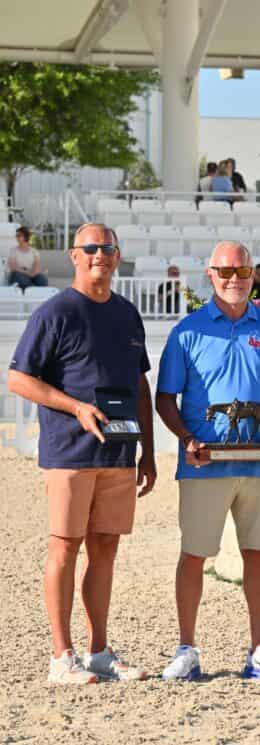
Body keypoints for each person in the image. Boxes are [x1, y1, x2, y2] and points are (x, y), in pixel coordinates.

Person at [7, 222, 156, 684]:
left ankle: (98, 652)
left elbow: (139, 384)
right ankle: (61, 656)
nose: (100, 254)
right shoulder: (55, 313)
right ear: (75, 255)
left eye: (108, 248)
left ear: (116, 255)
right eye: (91, 247)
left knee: (106, 549)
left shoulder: (129, 314)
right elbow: (18, 378)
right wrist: (76, 407)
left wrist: (147, 452)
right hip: (69, 451)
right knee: (65, 547)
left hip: (118, 453)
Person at [155, 240, 260, 682]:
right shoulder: (188, 331)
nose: (233, 279)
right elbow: (166, 397)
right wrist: (185, 438)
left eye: (241, 272)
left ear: (253, 275)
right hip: (203, 465)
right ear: (210, 274)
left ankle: (259, 649)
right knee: (194, 555)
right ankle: (187, 649)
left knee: (257, 556)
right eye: (225, 272)